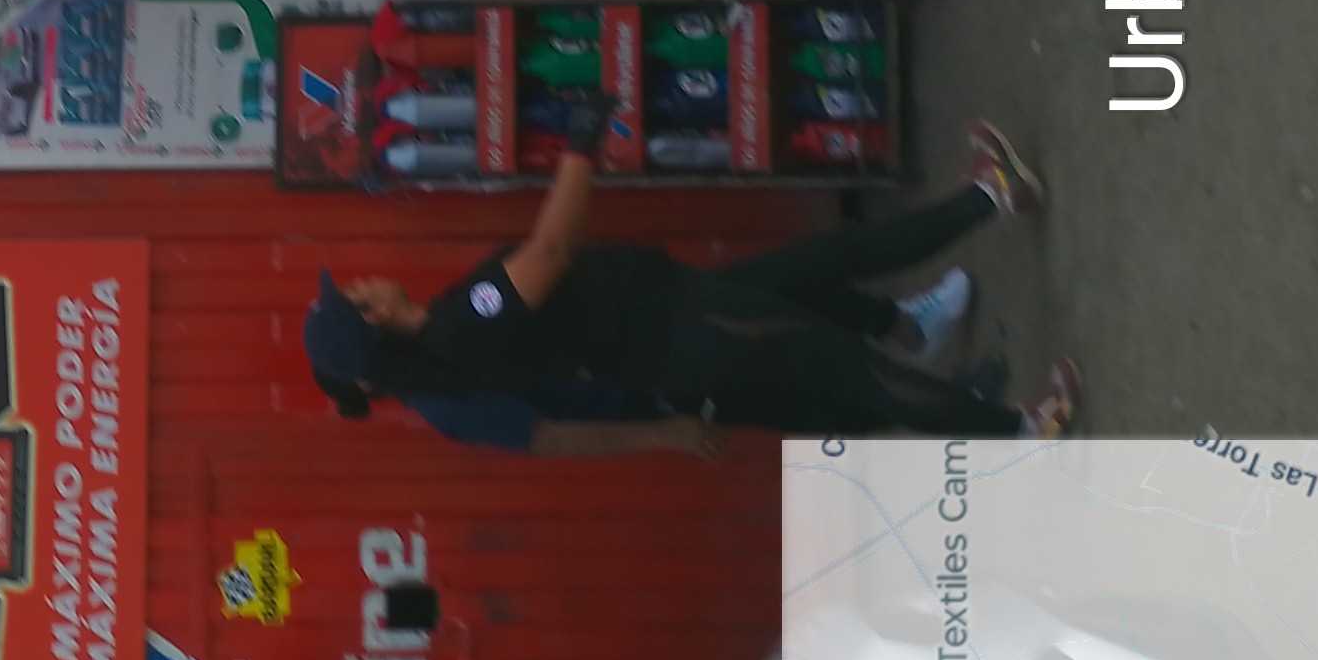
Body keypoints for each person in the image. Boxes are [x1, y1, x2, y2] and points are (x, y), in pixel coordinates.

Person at [302, 118, 1075, 451]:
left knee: (827, 262)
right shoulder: (454, 332)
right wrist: (579, 148)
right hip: (679, 334)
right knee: (852, 373)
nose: (364, 282)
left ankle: (992, 194)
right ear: (375, 322)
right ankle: (1019, 432)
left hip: (675, 307)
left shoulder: (445, 329)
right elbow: (551, 250)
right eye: (357, 297)